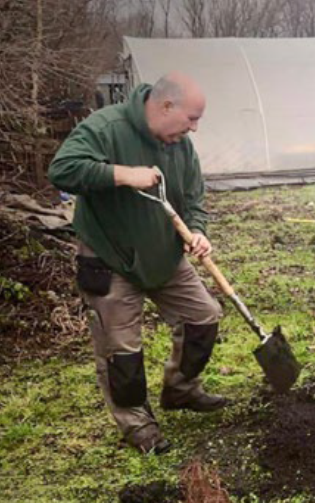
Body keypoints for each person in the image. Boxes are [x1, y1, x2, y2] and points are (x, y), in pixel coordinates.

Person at [48, 72, 229, 454]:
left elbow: (193, 194)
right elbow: (62, 169)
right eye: (191, 119)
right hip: (109, 257)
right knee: (122, 352)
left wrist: (197, 230)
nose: (194, 129)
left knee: (204, 318)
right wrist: (122, 174)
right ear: (166, 106)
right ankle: (138, 427)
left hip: (164, 254)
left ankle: (180, 390)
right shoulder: (107, 128)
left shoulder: (179, 145)